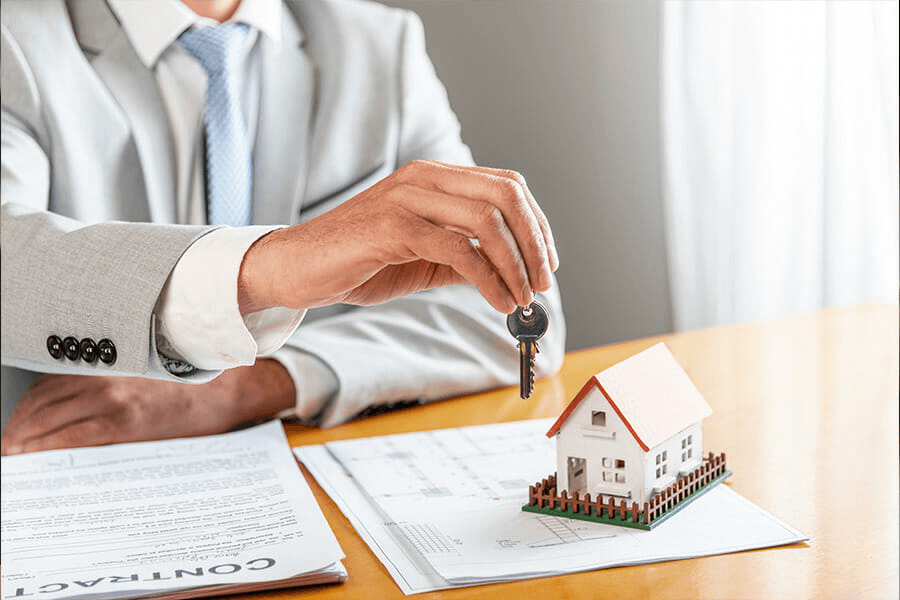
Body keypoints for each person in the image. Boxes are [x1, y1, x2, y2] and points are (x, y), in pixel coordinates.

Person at [0, 0, 565, 455]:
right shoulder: (15, 38)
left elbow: (518, 319)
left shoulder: (380, 45)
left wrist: (244, 387)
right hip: (55, 474)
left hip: (299, 475)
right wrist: (270, 266)